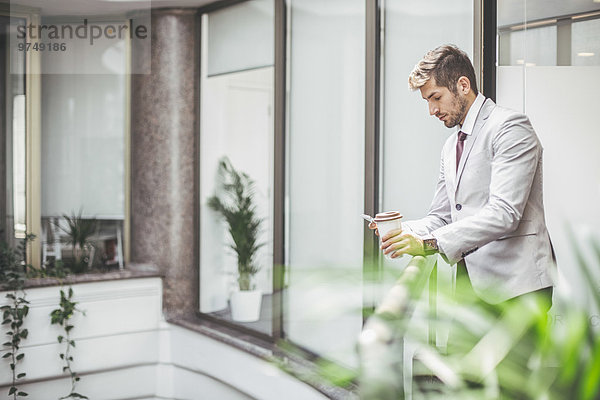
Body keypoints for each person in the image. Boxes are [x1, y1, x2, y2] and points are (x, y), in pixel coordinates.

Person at [371, 44, 554, 306]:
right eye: (427, 101)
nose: (432, 110)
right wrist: (402, 231)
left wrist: (427, 244)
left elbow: (504, 213)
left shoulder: (510, 127)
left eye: (436, 97)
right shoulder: (450, 146)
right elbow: (442, 216)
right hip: (473, 287)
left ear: (463, 85)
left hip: (519, 289)